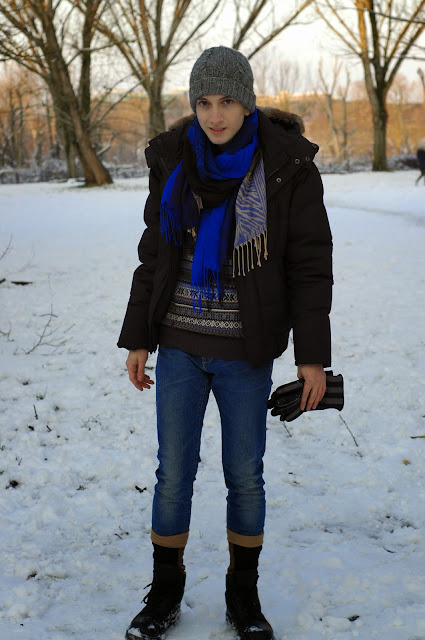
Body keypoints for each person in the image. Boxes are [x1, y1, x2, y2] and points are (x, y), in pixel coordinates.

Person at [118, 46, 333, 640]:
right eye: (204, 102)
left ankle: (244, 595)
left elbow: (309, 265)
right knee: (172, 474)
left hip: (245, 351)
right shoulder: (173, 160)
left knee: (245, 475)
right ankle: (165, 593)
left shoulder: (287, 167)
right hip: (179, 346)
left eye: (227, 101)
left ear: (248, 103)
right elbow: (154, 254)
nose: (215, 115)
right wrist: (138, 339)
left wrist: (312, 356)